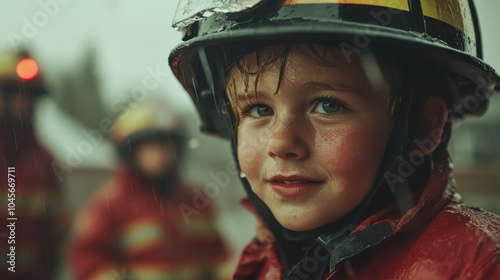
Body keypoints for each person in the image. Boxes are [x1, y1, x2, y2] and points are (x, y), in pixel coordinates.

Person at [168, 0, 500, 279]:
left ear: (424, 127)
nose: (281, 143)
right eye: (258, 109)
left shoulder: (479, 265)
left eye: (328, 106)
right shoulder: (266, 265)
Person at [67, 99, 229, 280]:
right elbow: (88, 262)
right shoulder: (108, 205)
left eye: (168, 144)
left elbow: (220, 258)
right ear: (130, 153)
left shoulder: (197, 199)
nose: (162, 154)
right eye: (152, 146)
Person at [0, 50, 65, 279]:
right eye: (13, 94)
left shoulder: (46, 161)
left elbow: (57, 230)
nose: (22, 103)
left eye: (28, 96)